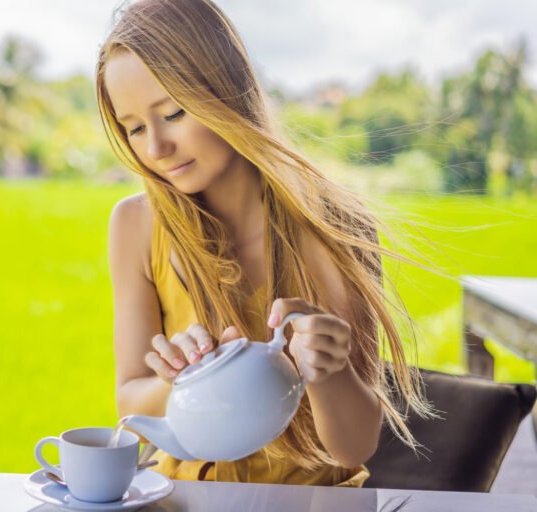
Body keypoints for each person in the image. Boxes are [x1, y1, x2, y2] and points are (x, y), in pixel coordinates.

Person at [96, 0, 432, 486]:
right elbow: (130, 399)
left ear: (226, 90)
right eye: (134, 128)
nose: (155, 149)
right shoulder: (136, 224)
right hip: (185, 497)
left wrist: (328, 371)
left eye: (173, 113)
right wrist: (187, 379)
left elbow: (355, 445)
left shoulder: (336, 226)